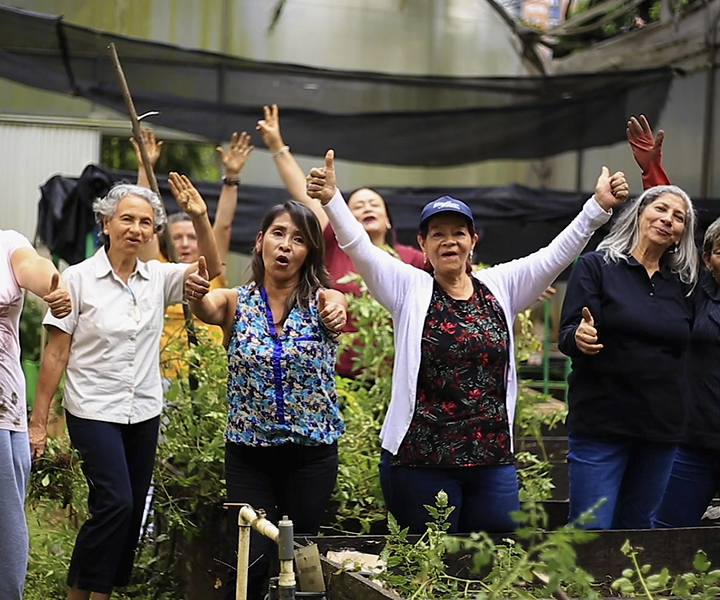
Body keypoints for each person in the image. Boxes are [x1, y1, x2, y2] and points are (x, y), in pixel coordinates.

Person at [306, 150, 629, 534]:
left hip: (491, 461)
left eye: (458, 232)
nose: (449, 241)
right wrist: (332, 199)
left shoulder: (501, 286)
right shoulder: (408, 287)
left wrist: (597, 208)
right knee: (428, 569)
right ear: (422, 243)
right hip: (419, 460)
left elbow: (555, 255)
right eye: (438, 234)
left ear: (472, 240)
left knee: (492, 563)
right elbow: (359, 246)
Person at [29, 175, 221, 600]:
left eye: (146, 222)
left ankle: (101, 595)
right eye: (127, 219)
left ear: (153, 232)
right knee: (114, 504)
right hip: (94, 410)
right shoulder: (77, 278)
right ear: (106, 223)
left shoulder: (159, 277)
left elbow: (212, 269)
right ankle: (79, 596)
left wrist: (200, 217)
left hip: (144, 410)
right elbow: (56, 354)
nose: (136, 229)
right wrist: (39, 422)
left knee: (130, 513)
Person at [186, 200, 348, 600]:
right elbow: (206, 308)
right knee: (252, 555)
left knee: (303, 557)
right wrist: (195, 293)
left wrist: (337, 312)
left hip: (311, 455)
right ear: (259, 242)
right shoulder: (236, 302)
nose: (286, 245)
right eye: (278, 233)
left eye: (298, 239)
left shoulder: (324, 301)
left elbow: (339, 307)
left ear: (309, 251)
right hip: (249, 455)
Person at [558, 172, 697, 530]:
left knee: (637, 535)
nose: (668, 219)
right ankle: (579, 591)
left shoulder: (683, 285)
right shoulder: (598, 266)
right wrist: (581, 337)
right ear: (639, 213)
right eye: (661, 209)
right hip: (602, 424)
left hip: (661, 429)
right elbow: (567, 333)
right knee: (591, 532)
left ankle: (626, 592)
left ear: (682, 234)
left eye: (679, 217)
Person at [257, 105, 424, 376]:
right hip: (338, 374)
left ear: (388, 218)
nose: (367, 208)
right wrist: (276, 145)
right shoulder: (334, 243)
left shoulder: (410, 259)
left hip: (391, 377)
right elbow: (307, 196)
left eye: (374, 204)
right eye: (357, 205)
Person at [626, 115, 720, 528]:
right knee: (664, 536)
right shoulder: (695, 293)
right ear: (707, 258)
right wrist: (653, 173)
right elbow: (668, 229)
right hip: (695, 442)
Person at [133, 128, 254, 375]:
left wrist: (231, 176)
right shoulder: (160, 268)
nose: (186, 243)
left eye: (192, 237)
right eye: (177, 238)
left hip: (212, 375)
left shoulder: (211, 269)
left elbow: (223, 225)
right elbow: (141, 218)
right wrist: (145, 170)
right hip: (165, 376)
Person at [1, 232, 70, 600]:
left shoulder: (7, 245)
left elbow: (34, 268)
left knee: (5, 528)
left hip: (1, 412)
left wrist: (52, 289)